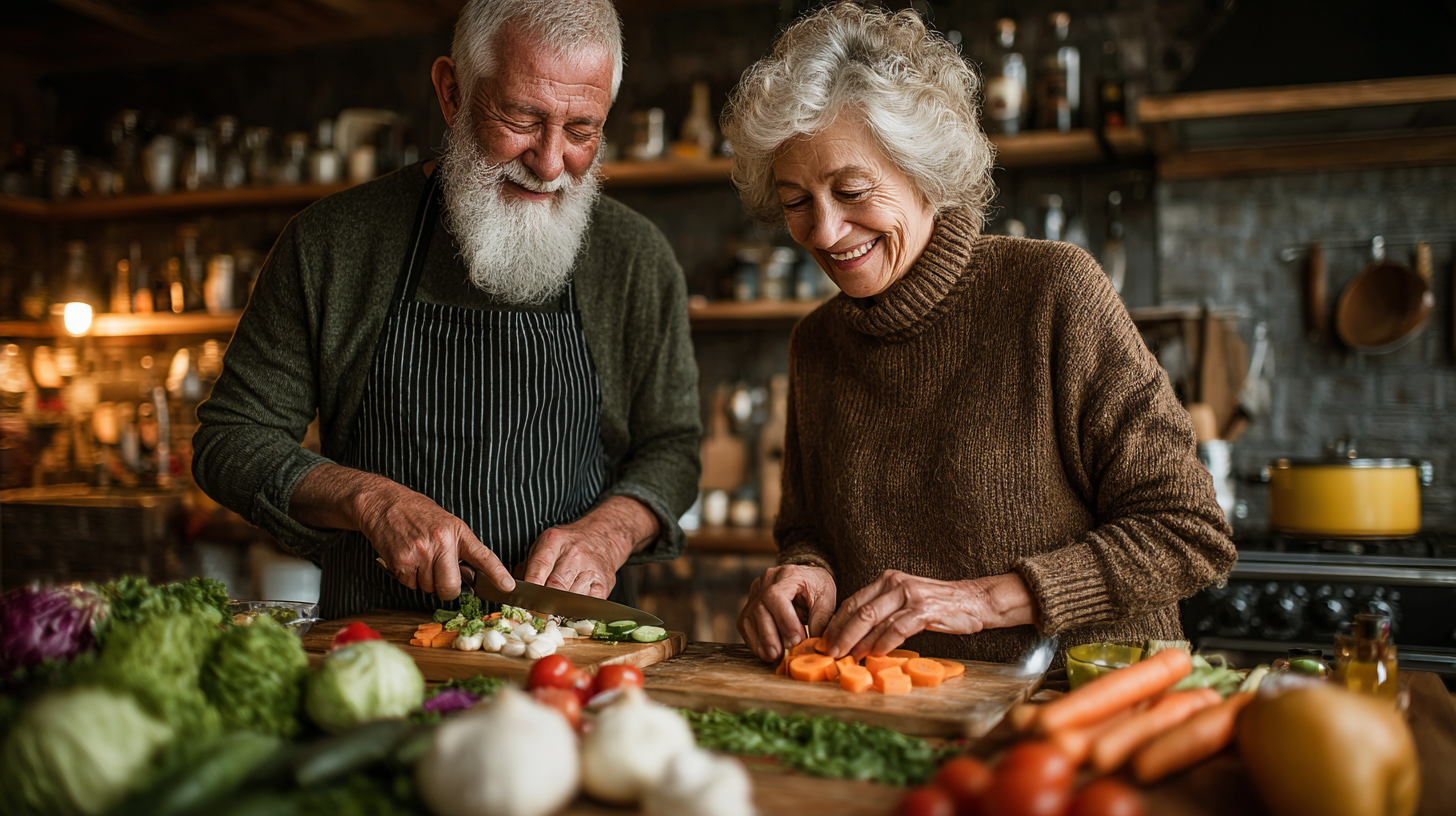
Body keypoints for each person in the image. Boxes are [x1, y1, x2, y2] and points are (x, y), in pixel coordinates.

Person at [724, 4, 1235, 666]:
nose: (823, 231)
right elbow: (808, 529)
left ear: (925, 172)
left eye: (851, 191)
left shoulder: (1053, 293)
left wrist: (984, 601)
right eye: (796, 202)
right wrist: (808, 570)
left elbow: (1189, 533)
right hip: (906, 714)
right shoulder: (817, 344)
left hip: (1082, 707)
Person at [193, 0, 700, 618]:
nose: (547, 163)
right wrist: (371, 501)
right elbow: (231, 439)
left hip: (572, 655)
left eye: (581, 130)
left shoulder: (635, 258)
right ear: (452, 92)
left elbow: (671, 447)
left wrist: (610, 532)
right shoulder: (332, 243)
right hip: (378, 657)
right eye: (521, 117)